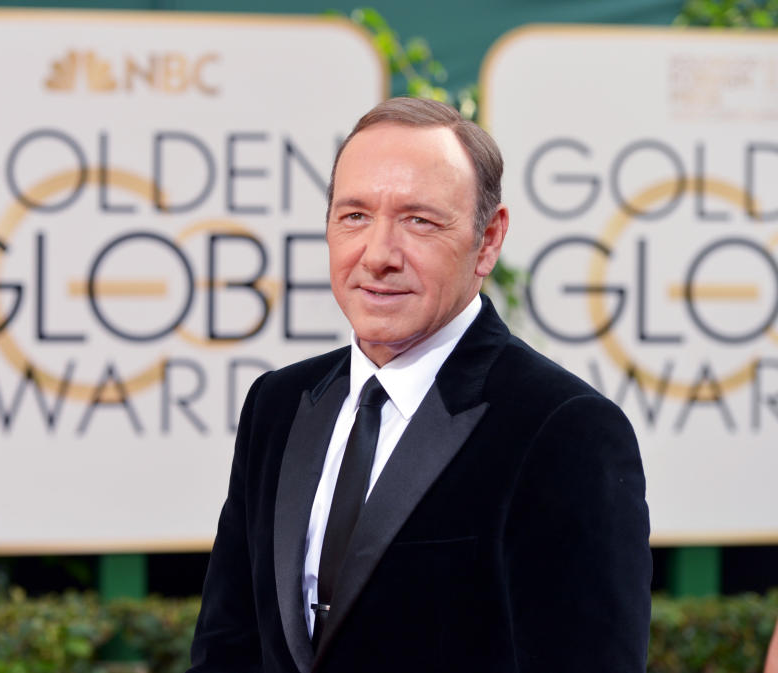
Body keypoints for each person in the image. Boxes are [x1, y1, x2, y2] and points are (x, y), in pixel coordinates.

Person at [188, 97, 652, 673]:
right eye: (354, 215)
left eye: (419, 220)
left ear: (488, 240)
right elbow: (226, 648)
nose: (378, 255)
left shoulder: (565, 429)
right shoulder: (278, 406)